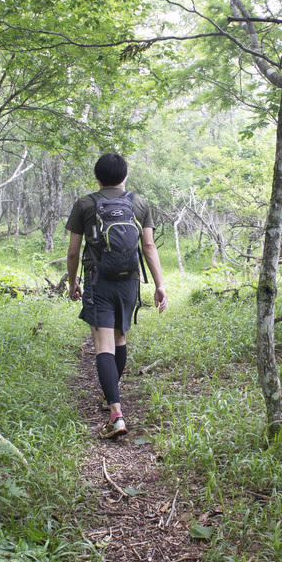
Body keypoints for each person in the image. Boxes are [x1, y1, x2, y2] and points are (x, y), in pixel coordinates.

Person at [66, 153, 168, 438]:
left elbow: (74, 251)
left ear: (97, 177)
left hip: (98, 281)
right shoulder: (138, 203)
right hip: (129, 282)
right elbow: (148, 246)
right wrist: (159, 285)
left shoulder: (85, 203)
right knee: (120, 339)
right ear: (124, 176)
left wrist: (73, 282)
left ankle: (116, 413)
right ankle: (112, 398)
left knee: (102, 345)